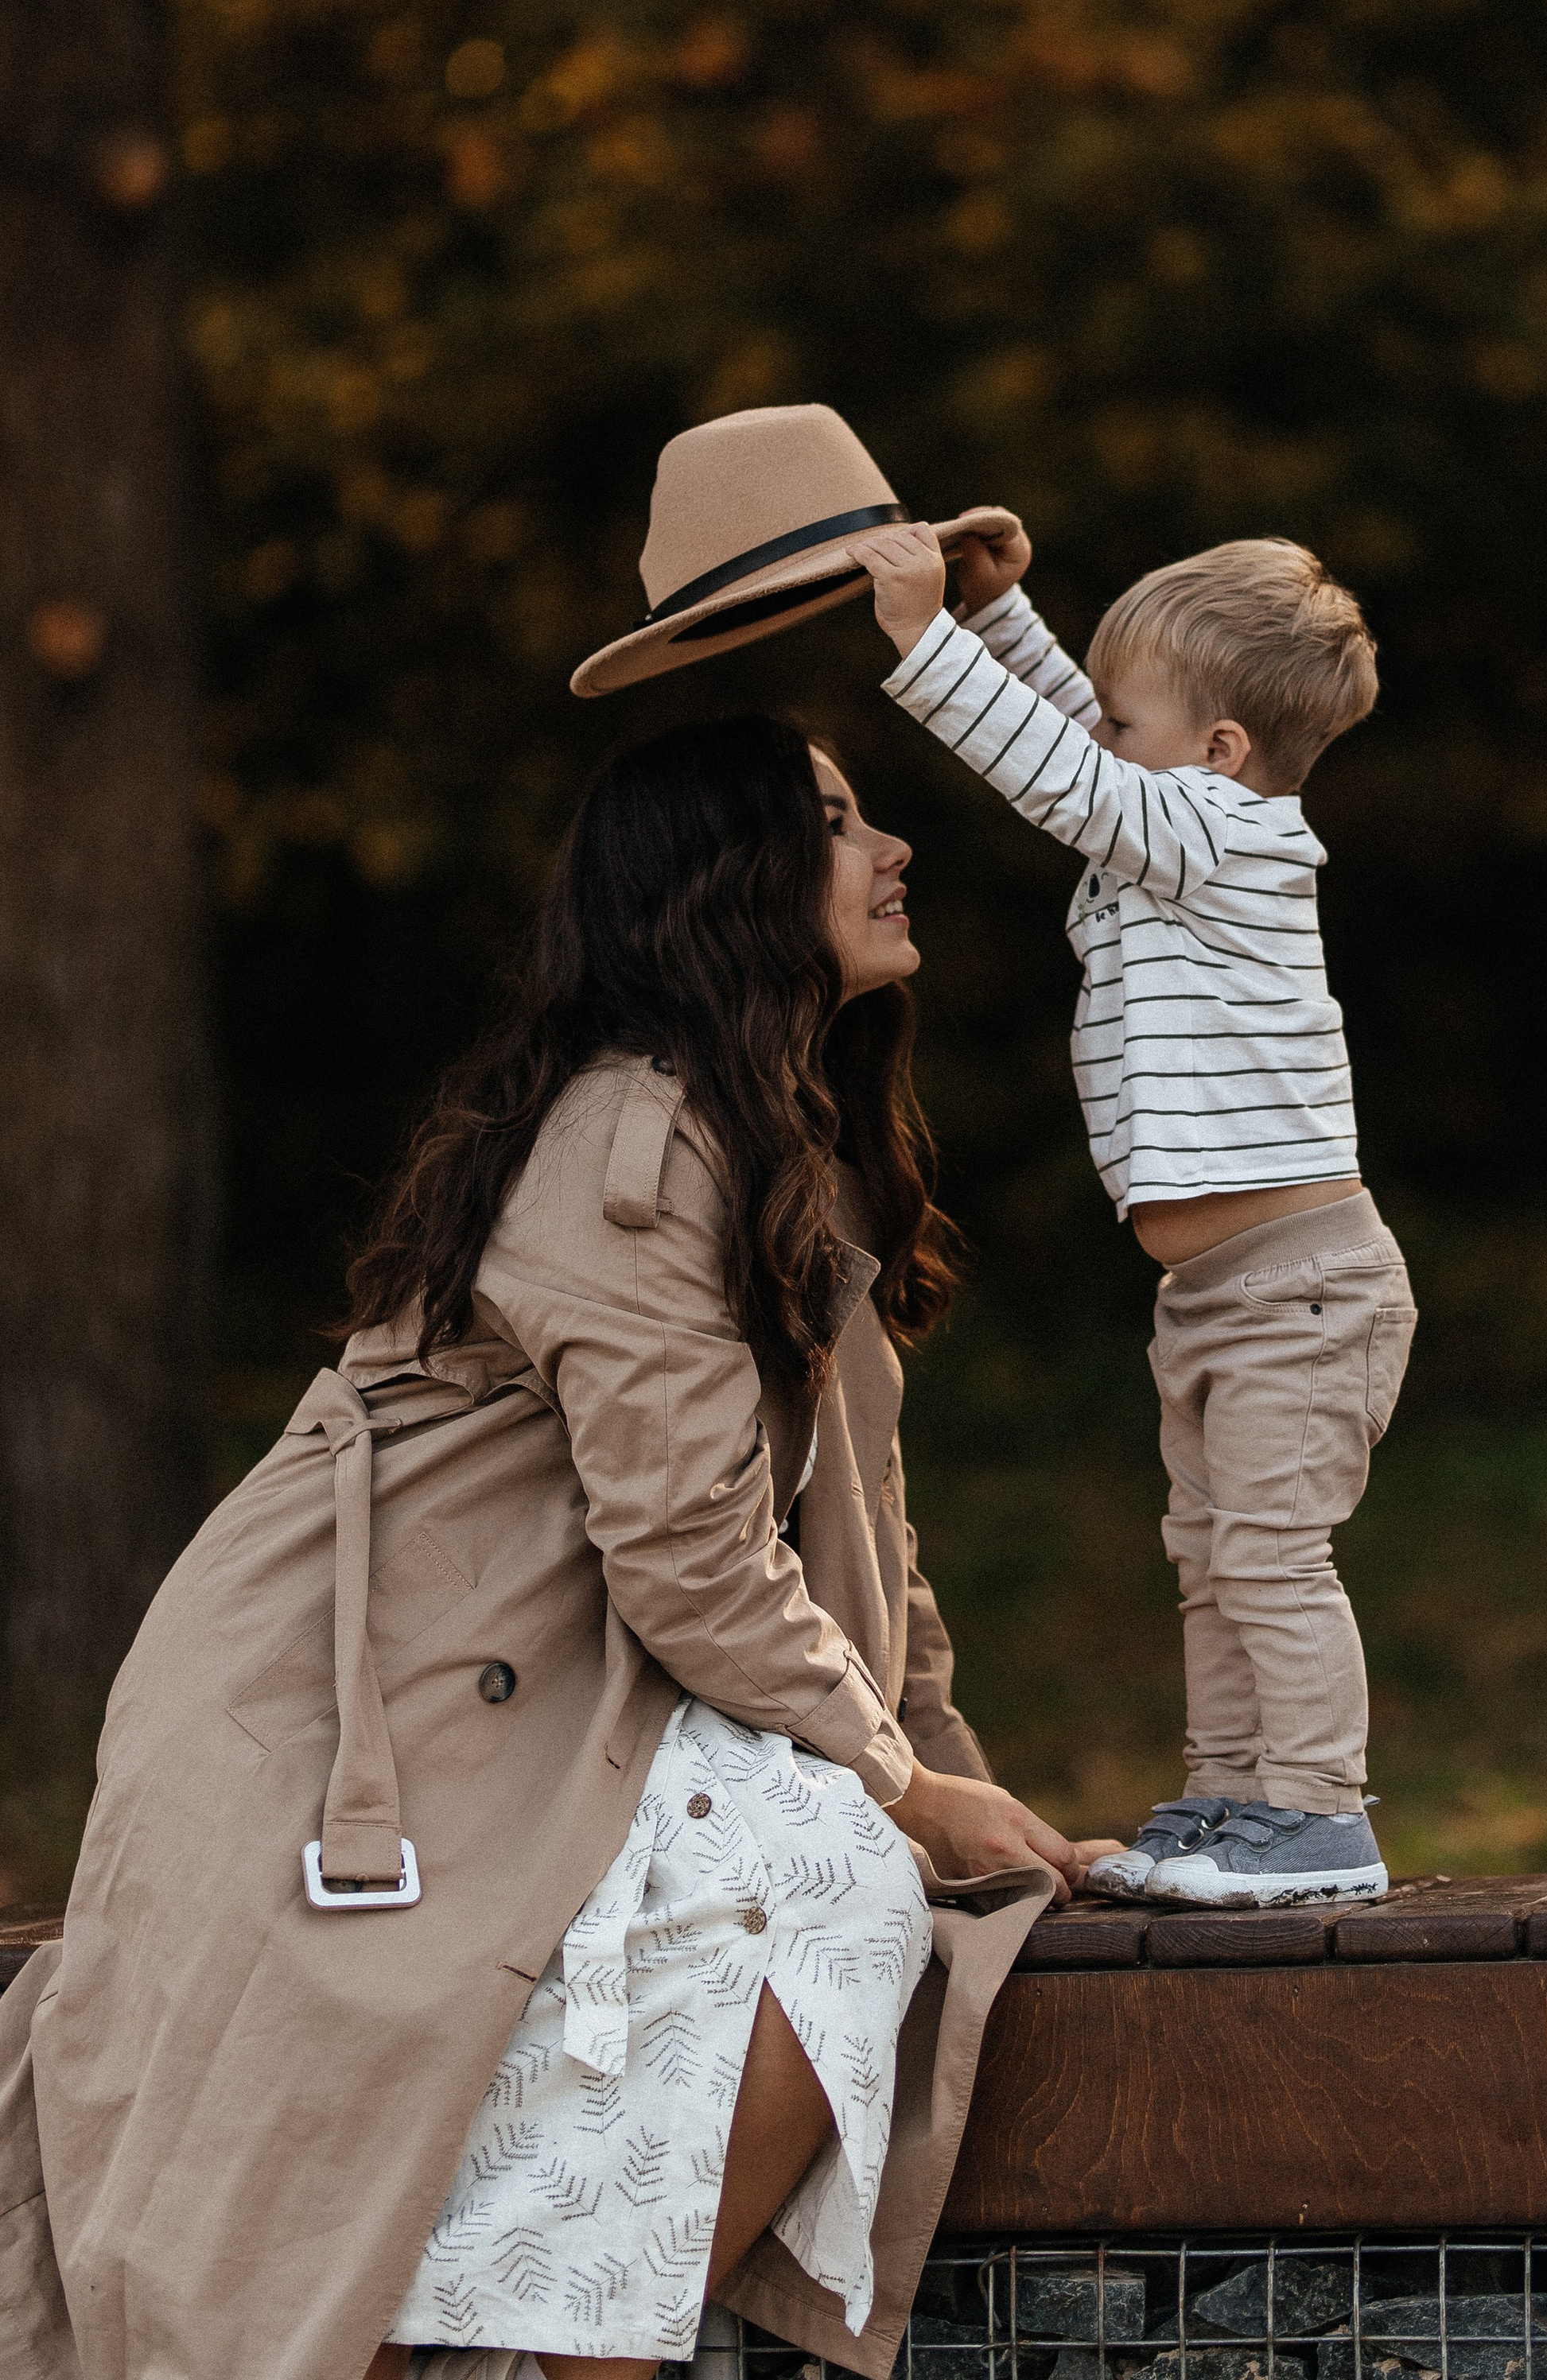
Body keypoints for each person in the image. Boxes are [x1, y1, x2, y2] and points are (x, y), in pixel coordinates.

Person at [0, 713, 1110, 2380]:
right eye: (832, 820)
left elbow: (854, 1536)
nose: (890, 848)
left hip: (536, 1703)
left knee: (836, 1875)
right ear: (725, 884)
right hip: (354, 1709)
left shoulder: (770, 1156)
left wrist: (960, 1783)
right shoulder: (631, 1149)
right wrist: (905, 1790)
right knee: (833, 1867)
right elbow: (688, 1560)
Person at [855, 514, 1417, 1910]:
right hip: (1220, 1293)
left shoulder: (1224, 835)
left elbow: (1056, 769)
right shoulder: (1174, 815)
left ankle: (1322, 1813)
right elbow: (1079, 735)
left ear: (1219, 749)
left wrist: (925, 637)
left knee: (1274, 1552)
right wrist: (999, 614)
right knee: (1213, 1556)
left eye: (1130, 718)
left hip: (1302, 1283)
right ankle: (1238, 1799)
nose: (1102, 736)